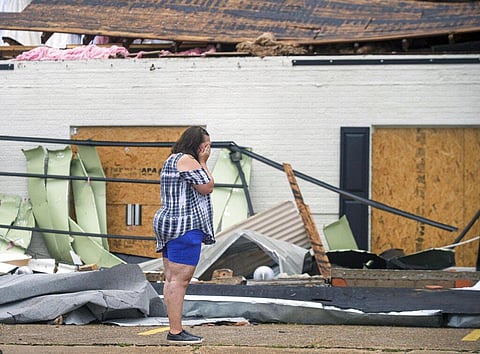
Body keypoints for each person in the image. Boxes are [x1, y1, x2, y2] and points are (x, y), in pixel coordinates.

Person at [153, 126, 215, 344]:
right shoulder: (189, 160)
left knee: (171, 279)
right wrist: (204, 162)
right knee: (180, 280)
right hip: (185, 226)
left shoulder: (172, 158)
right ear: (196, 144)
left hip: (169, 223)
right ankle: (176, 331)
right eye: (205, 145)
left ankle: (174, 328)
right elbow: (207, 187)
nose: (207, 149)